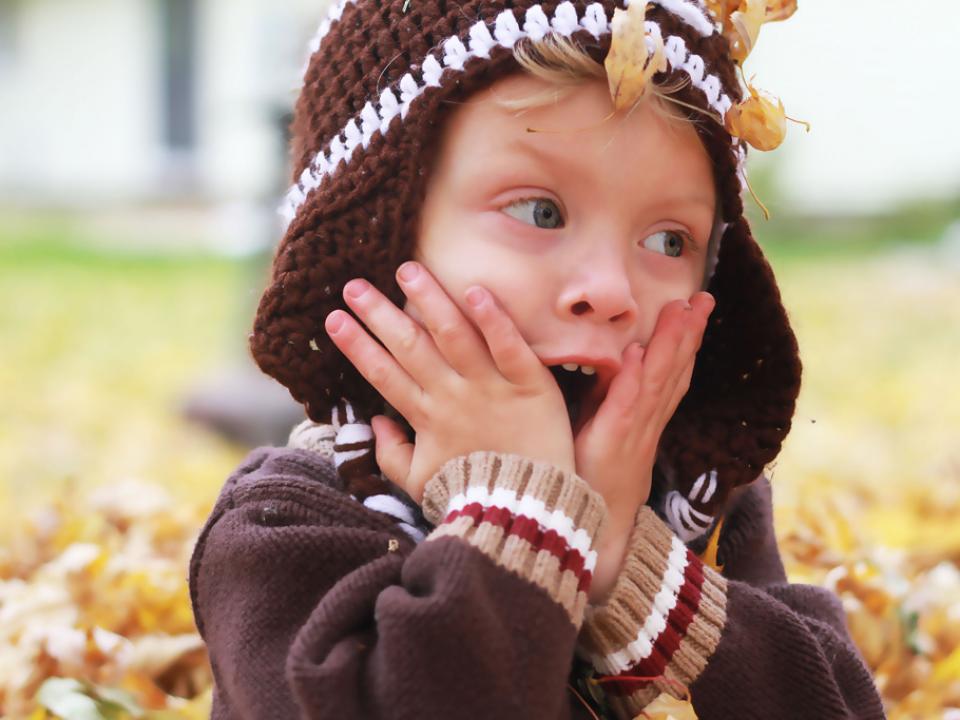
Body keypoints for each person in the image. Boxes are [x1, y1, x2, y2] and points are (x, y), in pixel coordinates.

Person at [188, 0, 887, 717]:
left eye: (670, 241)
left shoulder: (698, 499)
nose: (611, 291)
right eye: (540, 213)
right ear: (376, 239)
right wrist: (519, 514)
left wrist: (625, 562)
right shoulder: (284, 523)